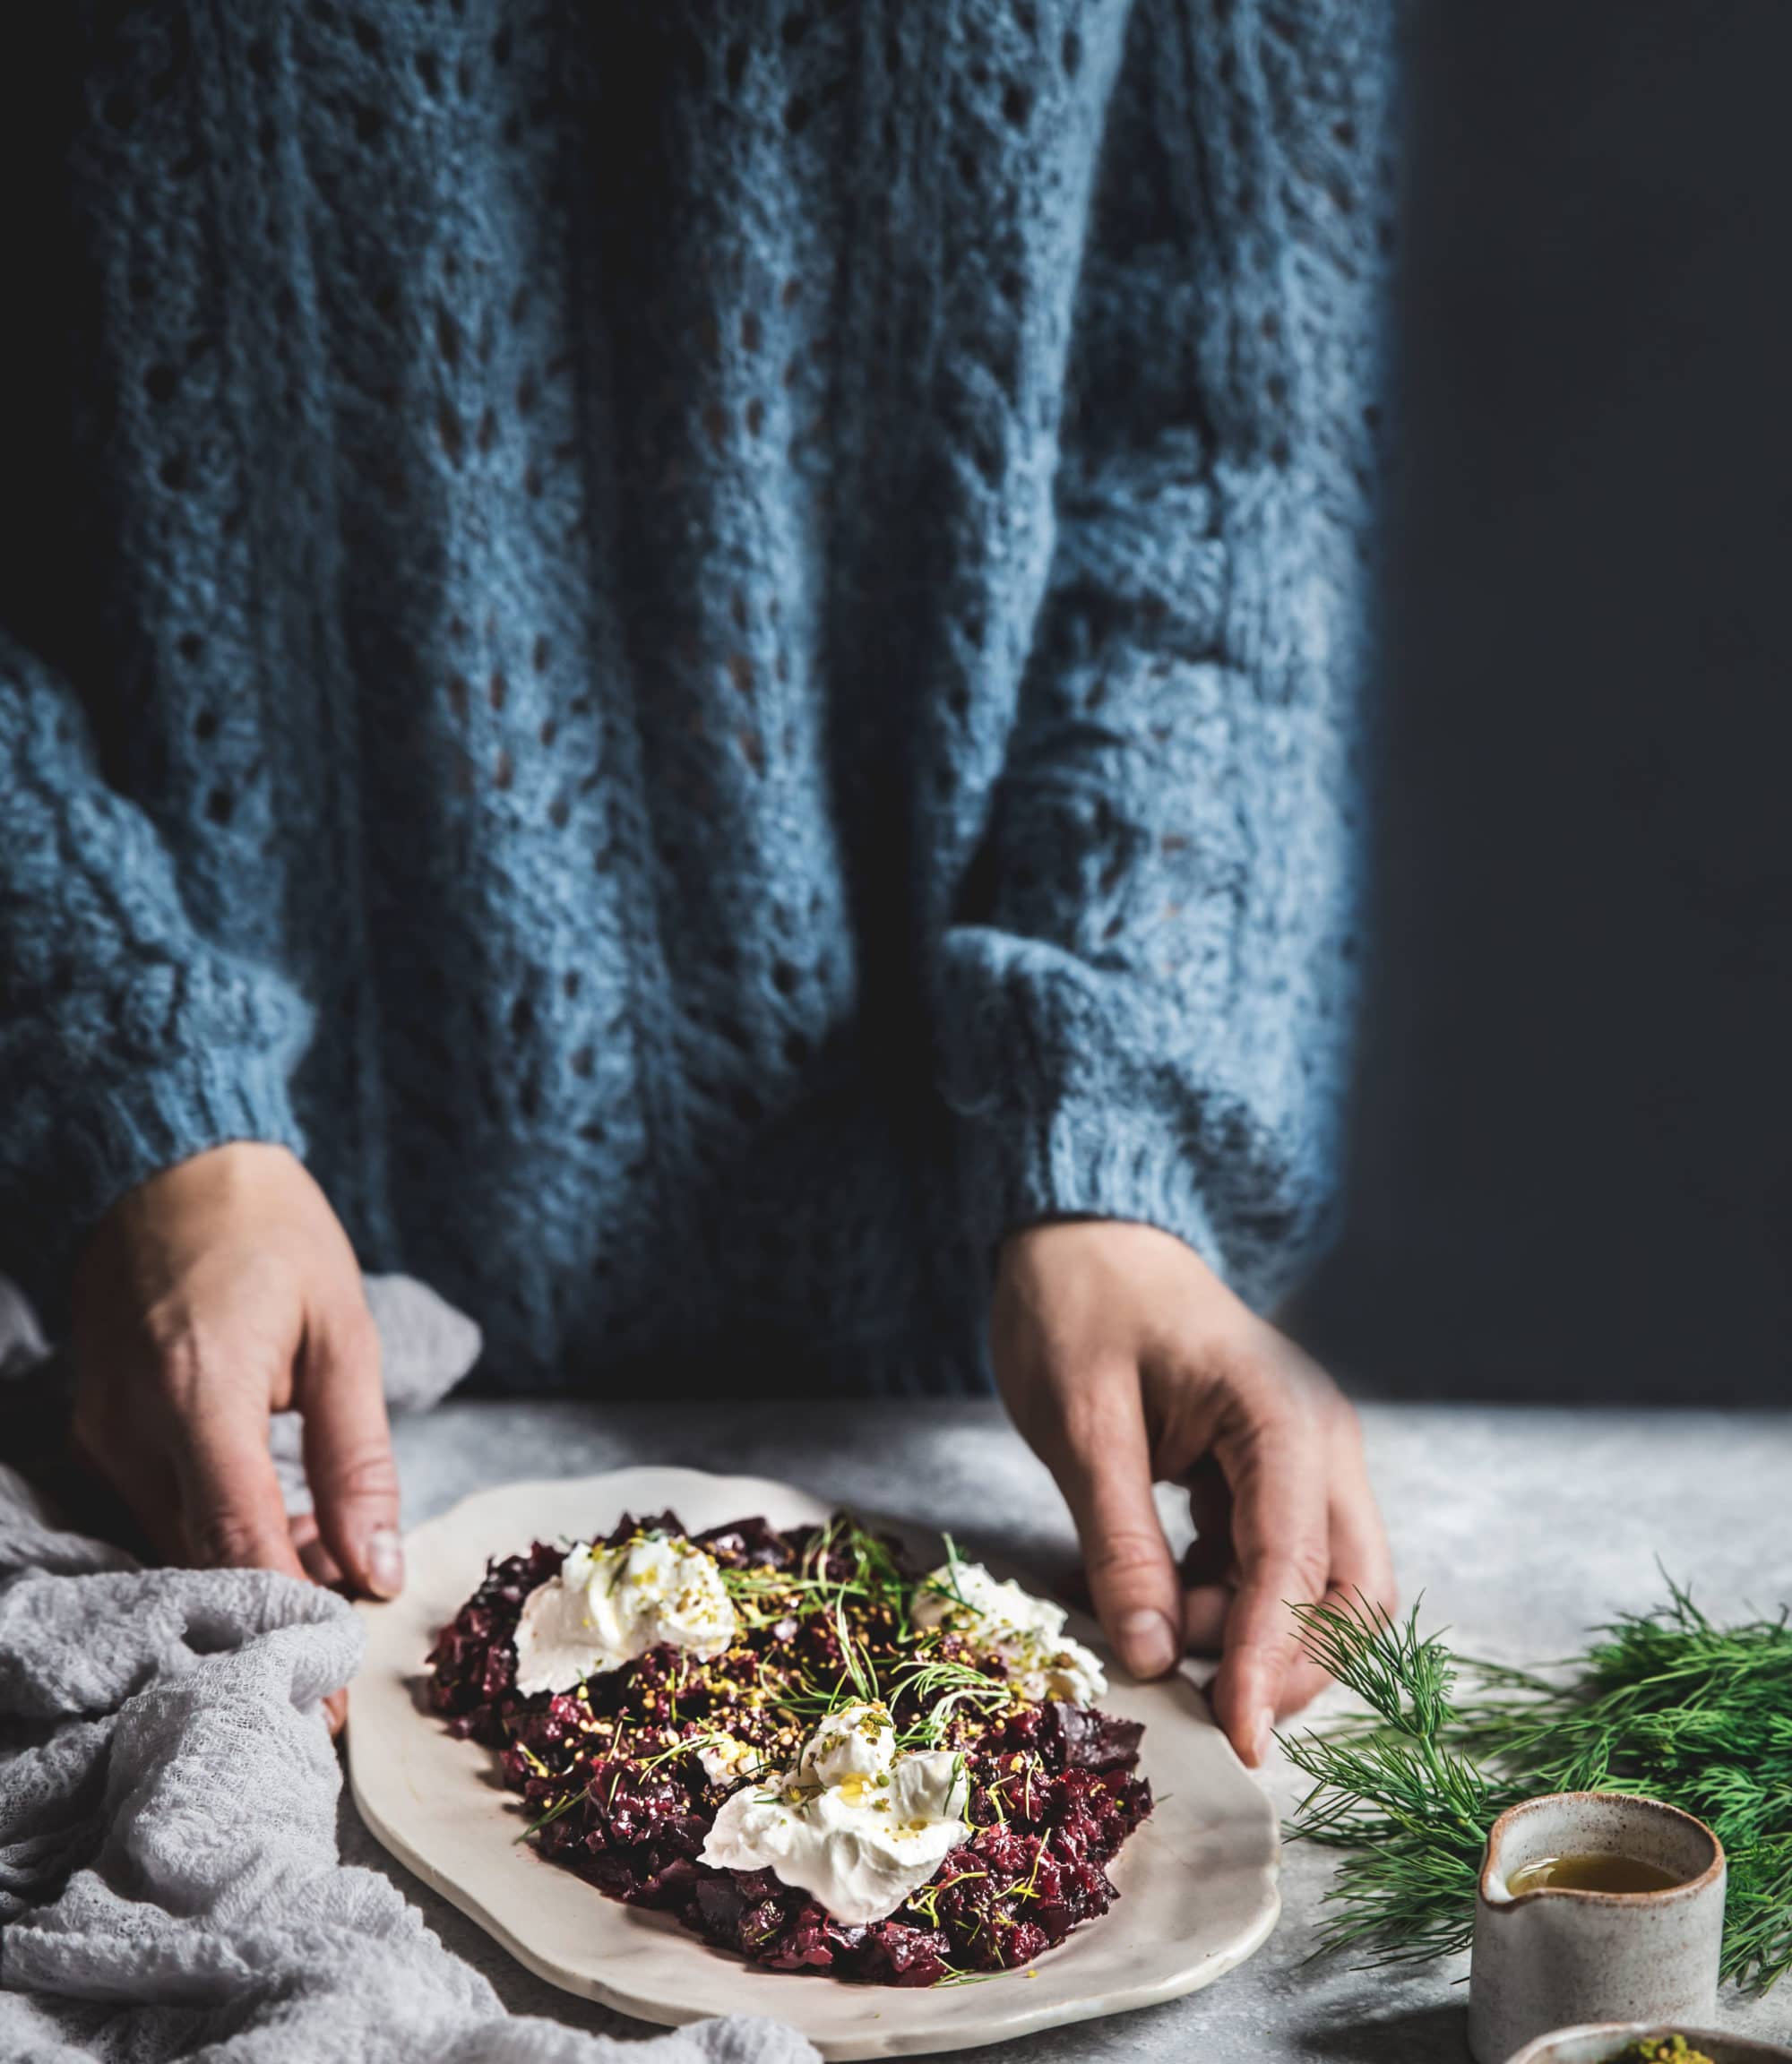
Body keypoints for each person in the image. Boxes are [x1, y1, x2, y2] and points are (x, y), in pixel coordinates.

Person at [0, 1, 1395, 1765]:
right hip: (186, 1349)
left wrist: (1122, 1139)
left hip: (968, 1384)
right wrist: (117, 1067)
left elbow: (1218, 438)